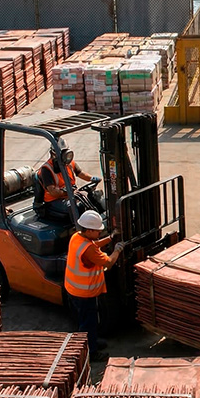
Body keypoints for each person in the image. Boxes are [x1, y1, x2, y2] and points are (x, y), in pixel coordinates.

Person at [64, 210, 123, 363]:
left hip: (72, 289)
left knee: (85, 320)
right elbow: (108, 263)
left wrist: (110, 238)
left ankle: (92, 341)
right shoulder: (88, 250)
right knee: (88, 323)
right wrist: (117, 250)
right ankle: (91, 352)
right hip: (84, 293)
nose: (99, 233)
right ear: (89, 230)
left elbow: (93, 244)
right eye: (97, 231)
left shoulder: (77, 237)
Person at [38, 138, 96, 222]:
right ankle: (79, 227)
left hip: (70, 195)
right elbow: (54, 192)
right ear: (53, 153)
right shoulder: (46, 169)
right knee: (77, 207)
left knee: (94, 197)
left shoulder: (69, 163)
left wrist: (92, 178)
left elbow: (80, 173)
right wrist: (69, 192)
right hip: (54, 201)